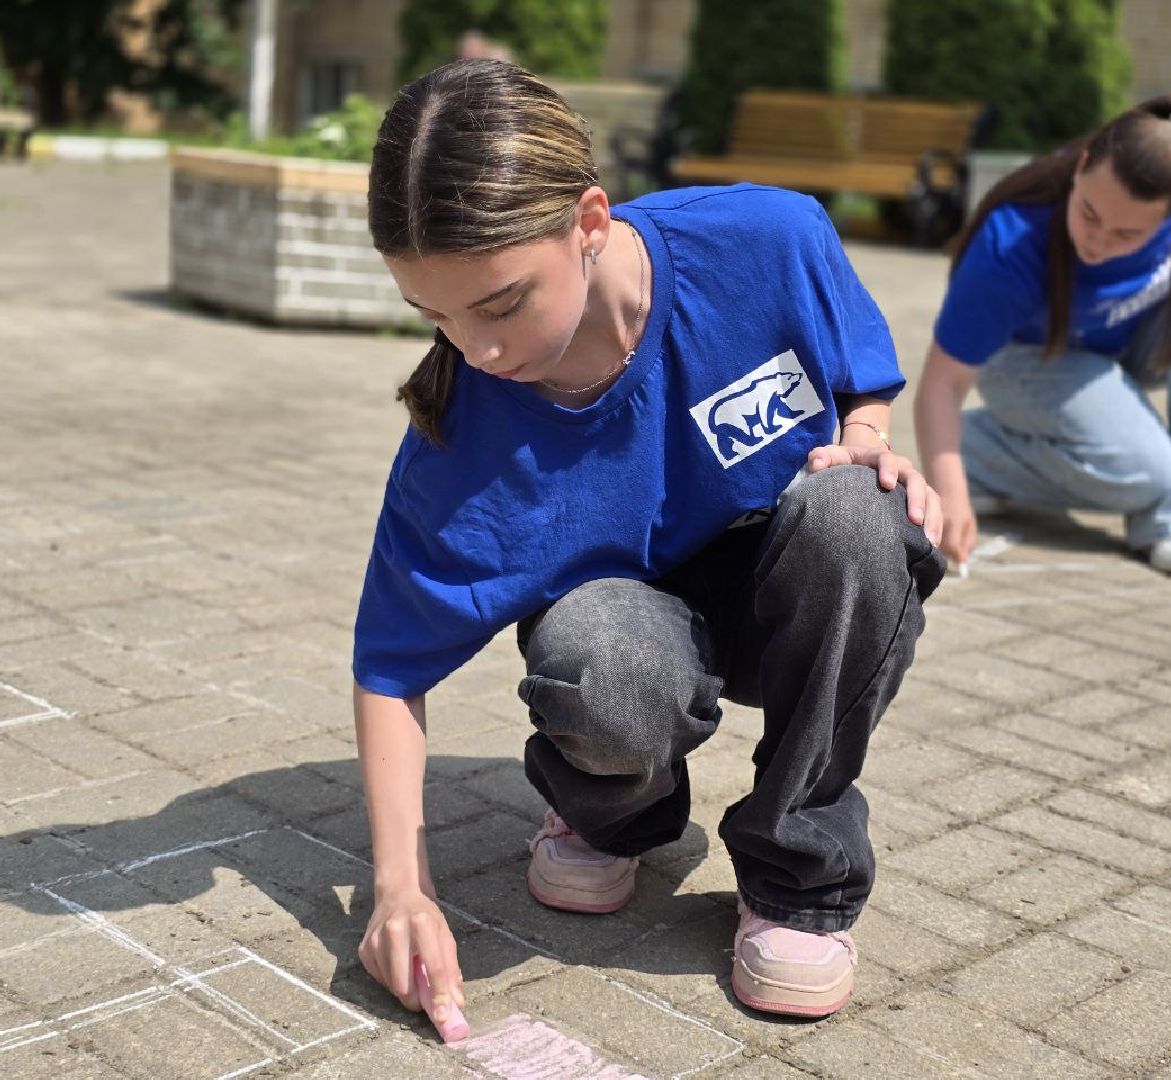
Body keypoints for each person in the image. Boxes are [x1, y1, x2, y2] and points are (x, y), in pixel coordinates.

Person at [350, 59, 946, 1029]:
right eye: (435, 317)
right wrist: (399, 891)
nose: (478, 350)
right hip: (625, 629)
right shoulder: (460, 437)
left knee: (859, 515)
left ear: (589, 224)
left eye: (499, 304)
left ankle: (800, 877)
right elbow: (388, 671)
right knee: (600, 656)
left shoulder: (768, 239)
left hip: (776, 593)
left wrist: (869, 441)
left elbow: (857, 377)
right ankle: (612, 813)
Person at [914, 96, 1171, 577]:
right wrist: (950, 492)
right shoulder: (1011, 242)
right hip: (1028, 359)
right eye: (1088, 213)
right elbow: (940, 385)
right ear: (1082, 166)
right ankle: (976, 456)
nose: (1098, 241)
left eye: (1128, 234)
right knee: (1146, 471)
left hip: (1129, 333)